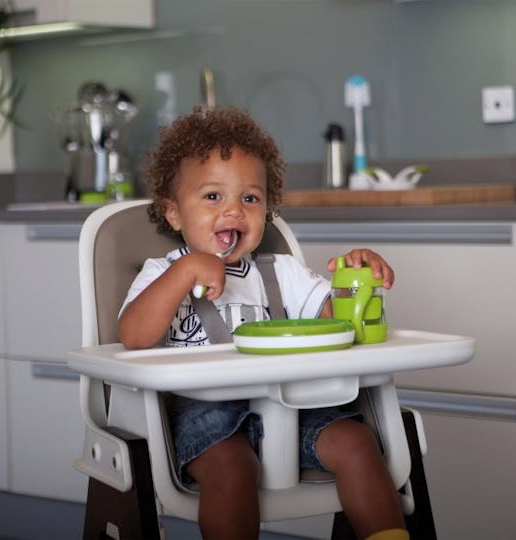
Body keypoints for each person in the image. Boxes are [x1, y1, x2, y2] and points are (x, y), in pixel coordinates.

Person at [118, 106, 408, 540]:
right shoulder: (162, 272)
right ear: (174, 213)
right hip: (204, 415)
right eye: (213, 197)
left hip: (290, 405)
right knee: (232, 467)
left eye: (249, 198)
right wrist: (185, 272)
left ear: (267, 209)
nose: (233, 210)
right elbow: (134, 337)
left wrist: (354, 277)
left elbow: (339, 324)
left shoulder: (281, 272)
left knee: (357, 444)